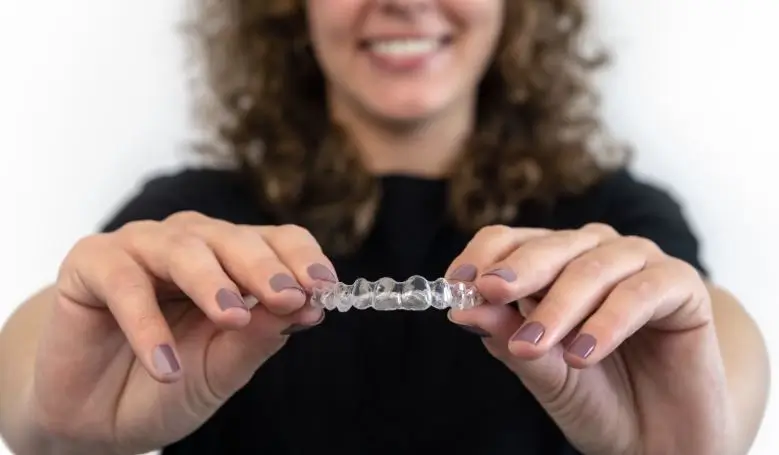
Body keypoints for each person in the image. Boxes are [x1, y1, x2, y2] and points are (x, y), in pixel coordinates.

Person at [0, 0, 770, 454]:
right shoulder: (191, 220)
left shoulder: (611, 218)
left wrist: (702, 429)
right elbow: (35, 366)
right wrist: (46, 409)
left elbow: (707, 333)